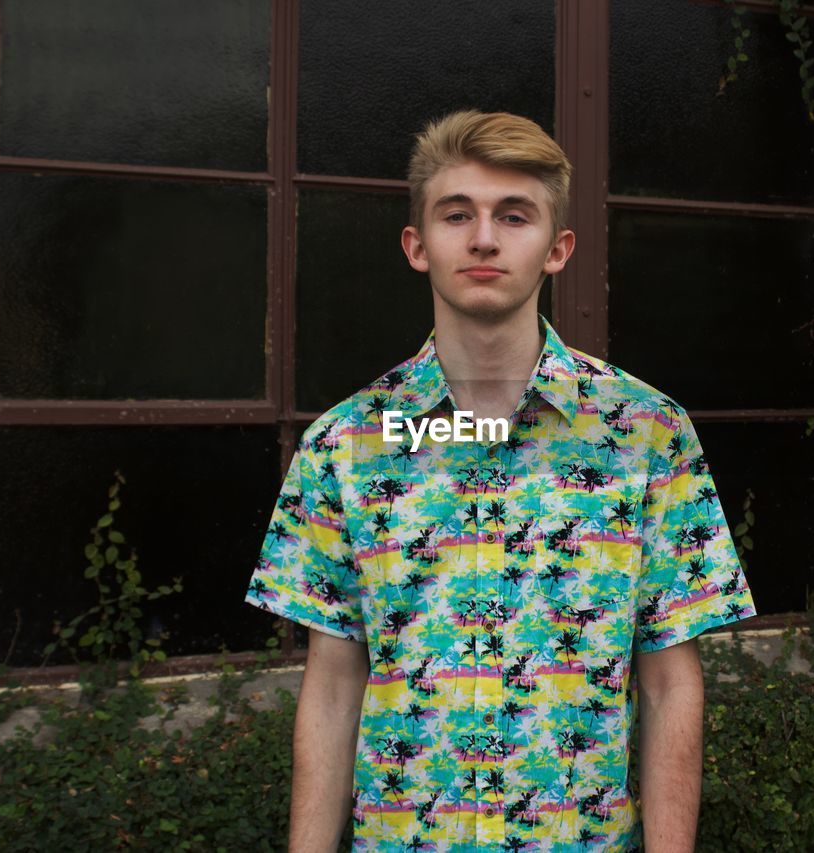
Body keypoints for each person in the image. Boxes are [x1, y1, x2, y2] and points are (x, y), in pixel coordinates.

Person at [245, 110, 756, 852]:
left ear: (558, 248)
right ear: (417, 246)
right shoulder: (345, 447)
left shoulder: (646, 434)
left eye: (514, 216)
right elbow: (330, 690)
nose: (484, 237)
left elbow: (670, 683)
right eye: (459, 214)